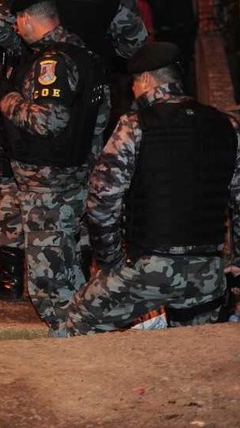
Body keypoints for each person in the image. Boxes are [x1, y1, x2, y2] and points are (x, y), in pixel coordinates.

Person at [0, 0, 148, 301]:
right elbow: (134, 40)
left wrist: (25, 55)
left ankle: (12, 275)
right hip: (94, 90)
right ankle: (79, 267)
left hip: (35, 82)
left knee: (13, 177)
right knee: (84, 173)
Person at [60, 42, 240, 336]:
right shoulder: (227, 125)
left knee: (77, 318)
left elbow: (102, 201)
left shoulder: (134, 125)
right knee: (192, 348)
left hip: (149, 268)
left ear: (144, 80)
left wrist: (111, 261)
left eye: (133, 84)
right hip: (207, 274)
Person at [0, 0, 107, 332]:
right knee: (69, 265)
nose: (14, 27)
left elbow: (49, 120)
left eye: (16, 20)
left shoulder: (52, 62)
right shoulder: (85, 54)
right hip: (74, 174)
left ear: (27, 18)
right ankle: (78, 334)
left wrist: (7, 99)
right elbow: (100, 121)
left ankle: (66, 344)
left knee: (48, 281)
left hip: (48, 182)